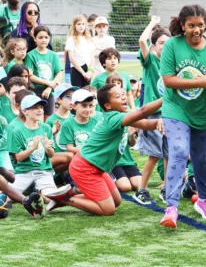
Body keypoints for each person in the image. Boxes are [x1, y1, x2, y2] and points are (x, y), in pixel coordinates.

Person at [45, 84, 163, 215]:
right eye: (118, 96)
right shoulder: (114, 117)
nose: (124, 98)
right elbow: (143, 112)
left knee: (116, 201)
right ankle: (66, 199)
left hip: (97, 167)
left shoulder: (119, 116)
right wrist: (165, 98)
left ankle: (63, 198)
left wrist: (160, 121)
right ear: (108, 105)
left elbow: (146, 124)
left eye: (124, 94)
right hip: (85, 168)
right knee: (108, 209)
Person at [159, 4, 206, 228]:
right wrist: (200, 82)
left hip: (204, 111)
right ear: (182, 26)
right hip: (176, 108)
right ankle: (171, 208)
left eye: (200, 25)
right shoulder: (171, 45)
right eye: (191, 26)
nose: (196, 30)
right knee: (178, 151)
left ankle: (204, 201)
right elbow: (169, 79)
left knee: (203, 159)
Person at [134, 16, 170, 204]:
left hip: (169, 114)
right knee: (154, 155)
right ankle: (141, 189)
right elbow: (142, 40)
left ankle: (166, 188)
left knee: (168, 154)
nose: (165, 45)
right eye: (161, 42)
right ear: (154, 46)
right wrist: (152, 23)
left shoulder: (172, 64)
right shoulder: (151, 62)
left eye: (168, 42)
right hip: (153, 115)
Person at [9, 95, 57, 203]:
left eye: (41, 107)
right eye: (35, 108)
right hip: (23, 172)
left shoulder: (46, 128)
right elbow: (18, 157)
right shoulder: (17, 131)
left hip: (44, 171)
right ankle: (32, 197)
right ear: (25, 111)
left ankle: (38, 197)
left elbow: (51, 155)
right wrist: (32, 148)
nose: (40, 110)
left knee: (52, 198)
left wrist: (48, 148)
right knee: (6, 197)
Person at [25, 26, 63, 121]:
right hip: (36, 90)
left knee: (48, 119)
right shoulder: (30, 55)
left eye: (46, 37)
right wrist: (47, 83)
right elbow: (30, 76)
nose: (43, 40)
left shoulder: (53, 55)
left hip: (49, 91)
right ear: (35, 38)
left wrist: (50, 87)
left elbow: (59, 73)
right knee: (36, 118)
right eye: (40, 37)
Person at [45, 84, 78, 173]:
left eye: (74, 97)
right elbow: (45, 143)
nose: (72, 101)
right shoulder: (51, 120)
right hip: (56, 157)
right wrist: (53, 133)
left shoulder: (75, 118)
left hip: (73, 158)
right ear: (59, 100)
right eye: (68, 97)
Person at [66, 15, 95, 88]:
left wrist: (90, 71)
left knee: (87, 92)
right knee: (77, 91)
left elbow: (92, 57)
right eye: (78, 24)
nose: (81, 26)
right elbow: (71, 58)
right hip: (77, 69)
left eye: (83, 24)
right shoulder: (71, 39)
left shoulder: (89, 39)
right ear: (74, 26)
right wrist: (83, 73)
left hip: (87, 70)